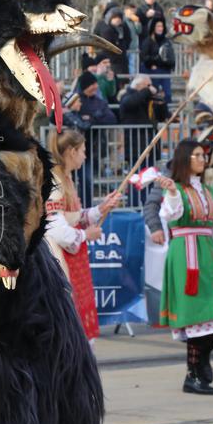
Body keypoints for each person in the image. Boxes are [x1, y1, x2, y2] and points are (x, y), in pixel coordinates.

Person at [158, 141, 213, 394]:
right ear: (185, 159)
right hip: (187, 256)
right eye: (197, 156)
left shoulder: (207, 191)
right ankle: (193, 374)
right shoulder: (176, 190)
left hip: (208, 256)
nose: (203, 160)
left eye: (204, 156)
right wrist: (171, 192)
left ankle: (201, 360)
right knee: (195, 315)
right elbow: (170, 215)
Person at [46, 129, 123, 348]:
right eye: (83, 151)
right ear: (71, 152)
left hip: (74, 257)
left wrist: (101, 208)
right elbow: (53, 224)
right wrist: (84, 235)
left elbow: (72, 216)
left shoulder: (65, 178)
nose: (85, 156)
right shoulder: (54, 180)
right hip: (61, 257)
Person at [139, 17, 175, 103]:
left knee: (167, 95)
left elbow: (170, 55)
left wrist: (170, 64)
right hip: (152, 72)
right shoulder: (148, 41)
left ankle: (168, 114)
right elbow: (144, 57)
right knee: (154, 95)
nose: (160, 29)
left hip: (165, 71)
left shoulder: (166, 41)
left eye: (161, 26)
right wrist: (152, 63)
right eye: (158, 26)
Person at [93, 5, 131, 80]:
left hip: (122, 60)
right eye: (115, 18)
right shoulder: (107, 29)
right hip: (112, 61)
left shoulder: (123, 27)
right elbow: (106, 46)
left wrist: (124, 47)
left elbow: (128, 38)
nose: (117, 20)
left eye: (119, 18)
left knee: (123, 81)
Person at [123, 4, 141, 75]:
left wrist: (137, 23)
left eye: (134, 11)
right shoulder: (123, 20)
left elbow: (139, 31)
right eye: (131, 11)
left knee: (132, 66)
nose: (133, 13)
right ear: (125, 11)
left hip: (133, 48)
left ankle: (132, 81)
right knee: (126, 65)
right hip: (125, 47)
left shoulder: (134, 21)